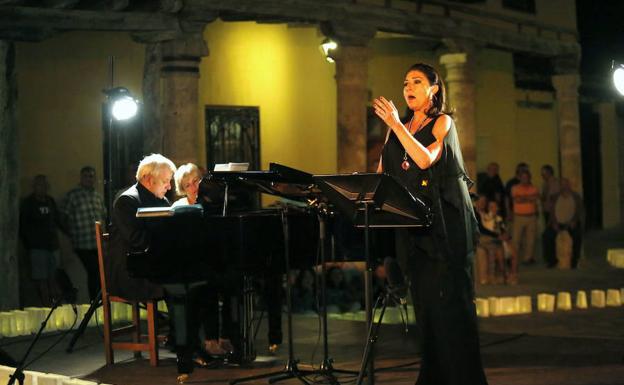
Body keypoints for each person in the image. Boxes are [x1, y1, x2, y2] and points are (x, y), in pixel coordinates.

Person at [374, 62, 488, 385]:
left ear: (433, 89)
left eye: (416, 81)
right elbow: (382, 174)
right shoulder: (396, 129)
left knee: (451, 310)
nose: (408, 88)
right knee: (426, 311)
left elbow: (425, 158)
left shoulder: (443, 123)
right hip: (414, 232)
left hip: (447, 231)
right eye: (405, 82)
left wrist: (397, 125)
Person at [61, 166, 107, 301]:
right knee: (94, 271)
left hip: (97, 242)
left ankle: (99, 303)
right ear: (81, 178)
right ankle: (95, 303)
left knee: (99, 272)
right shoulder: (73, 195)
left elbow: (103, 216)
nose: (89, 179)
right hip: (82, 243)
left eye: (92, 176)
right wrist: (70, 233)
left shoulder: (98, 196)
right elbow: (62, 216)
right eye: (86, 176)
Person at [19, 175, 62, 306]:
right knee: (41, 279)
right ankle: (46, 305)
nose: (42, 188)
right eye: (39, 185)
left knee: (53, 277)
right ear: (34, 187)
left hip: (52, 246)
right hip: (37, 248)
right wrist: (29, 244)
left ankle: (55, 306)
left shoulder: (50, 201)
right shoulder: (28, 203)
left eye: (44, 185)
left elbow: (57, 220)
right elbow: (23, 226)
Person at [550, 178, 583, 268]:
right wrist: (554, 222)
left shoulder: (576, 196)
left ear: (569, 185)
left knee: (576, 236)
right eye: (562, 184)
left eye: (565, 184)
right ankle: (552, 260)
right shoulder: (555, 197)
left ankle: (574, 260)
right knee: (547, 235)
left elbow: (579, 210)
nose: (564, 186)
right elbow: (552, 211)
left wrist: (574, 221)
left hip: (571, 222)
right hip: (558, 223)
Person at [510, 170, 539, 265]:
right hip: (519, 216)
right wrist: (529, 198)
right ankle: (514, 258)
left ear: (529, 178)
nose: (525, 179)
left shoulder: (534, 188)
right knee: (516, 239)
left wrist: (523, 198)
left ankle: (528, 258)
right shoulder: (515, 188)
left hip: (531, 216)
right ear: (519, 178)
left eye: (526, 177)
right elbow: (517, 199)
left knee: (530, 239)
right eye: (523, 177)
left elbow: (534, 199)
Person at [540, 165, 560, 268]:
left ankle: (552, 260)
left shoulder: (554, 183)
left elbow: (554, 200)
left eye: (544, 172)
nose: (542, 175)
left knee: (548, 236)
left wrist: (553, 217)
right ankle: (550, 259)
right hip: (547, 211)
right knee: (549, 236)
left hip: (553, 213)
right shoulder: (545, 183)